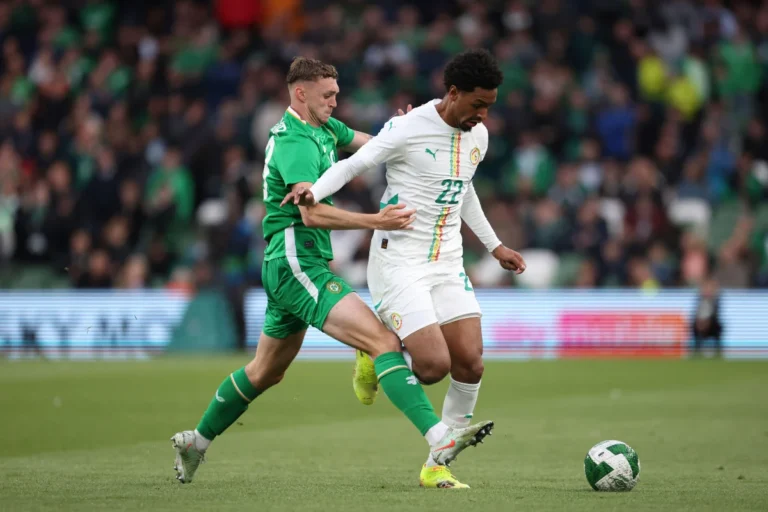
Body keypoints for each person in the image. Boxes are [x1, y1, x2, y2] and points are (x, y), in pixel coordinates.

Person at [171, 57, 494, 485]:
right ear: (300, 94)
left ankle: (196, 441)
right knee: (382, 342)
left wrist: (403, 133)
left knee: (266, 371)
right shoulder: (295, 143)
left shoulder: (324, 128)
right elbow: (312, 215)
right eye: (328, 95)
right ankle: (439, 439)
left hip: (291, 266)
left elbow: (370, 144)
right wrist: (376, 220)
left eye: (337, 94)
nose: (336, 102)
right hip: (296, 263)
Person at [283, 50, 526, 488]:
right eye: (477, 104)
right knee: (432, 366)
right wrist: (312, 194)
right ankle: (372, 349)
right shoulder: (406, 128)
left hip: (447, 262)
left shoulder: (479, 136)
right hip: (399, 261)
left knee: (470, 363)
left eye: (490, 105)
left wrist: (494, 246)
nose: (483, 114)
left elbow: (463, 190)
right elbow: (354, 163)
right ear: (453, 94)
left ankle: (437, 463)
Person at [692, 277, 723, 357]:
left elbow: (715, 314)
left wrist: (707, 322)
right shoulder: (699, 299)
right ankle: (696, 349)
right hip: (700, 324)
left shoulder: (716, 300)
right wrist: (700, 322)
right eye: (705, 287)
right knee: (694, 325)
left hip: (712, 324)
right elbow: (696, 313)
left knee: (718, 326)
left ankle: (718, 351)